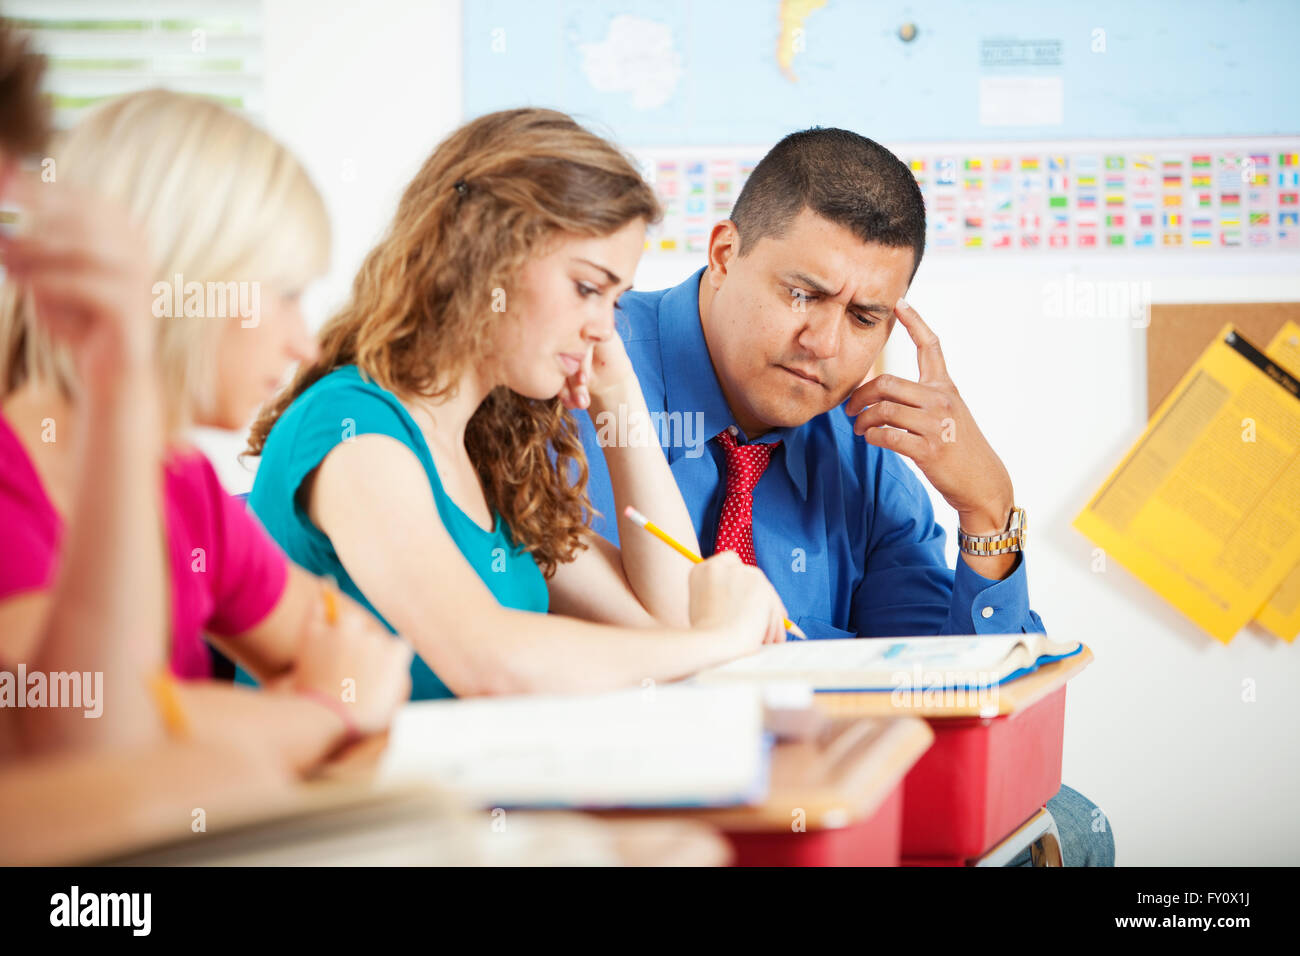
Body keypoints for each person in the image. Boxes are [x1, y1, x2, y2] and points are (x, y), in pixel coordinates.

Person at [575, 127, 1114, 867]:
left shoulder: (864, 439)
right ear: (725, 253)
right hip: (626, 777)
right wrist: (838, 660)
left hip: (813, 788)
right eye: (803, 294)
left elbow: (962, 695)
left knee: (1073, 827)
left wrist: (986, 509)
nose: (825, 343)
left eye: (865, 319)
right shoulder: (588, 362)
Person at [246, 108, 789, 701]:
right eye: (586, 288)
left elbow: (668, 622)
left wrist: (616, 396)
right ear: (485, 257)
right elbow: (487, 660)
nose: (604, 329)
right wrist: (725, 637)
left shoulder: (490, 457)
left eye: (615, 300)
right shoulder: (352, 431)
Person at [0, 88, 411, 769]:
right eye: (283, 296)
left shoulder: (182, 482)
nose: (304, 345)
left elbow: (364, 661)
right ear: (185, 280)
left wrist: (208, 724)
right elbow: (85, 736)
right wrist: (316, 718)